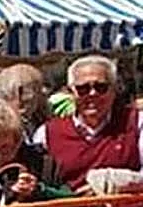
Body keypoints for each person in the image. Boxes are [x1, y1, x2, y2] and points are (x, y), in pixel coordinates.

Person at [36, 55, 142, 192]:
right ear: (71, 92)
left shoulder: (136, 122)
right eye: (83, 89)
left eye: (101, 87)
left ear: (114, 90)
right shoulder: (47, 134)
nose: (92, 94)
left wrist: (109, 183)